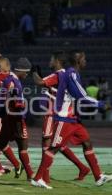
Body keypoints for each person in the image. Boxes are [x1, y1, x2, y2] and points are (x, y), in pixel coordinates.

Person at [31, 50, 112, 189]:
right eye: (84, 59)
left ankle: (98, 176)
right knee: (54, 147)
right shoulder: (70, 74)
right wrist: (100, 104)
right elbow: (81, 96)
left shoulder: (70, 73)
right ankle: (38, 178)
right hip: (64, 118)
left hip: (73, 119)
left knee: (87, 142)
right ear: (77, 60)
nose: (85, 61)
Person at [32, 50, 90, 184]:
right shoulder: (64, 75)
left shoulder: (58, 74)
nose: (50, 61)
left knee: (47, 145)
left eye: (52, 59)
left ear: (57, 61)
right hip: (60, 112)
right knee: (59, 145)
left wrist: (33, 72)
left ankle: (43, 178)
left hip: (52, 113)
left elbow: (39, 82)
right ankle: (82, 168)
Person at [0, 58, 35, 180]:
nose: (26, 75)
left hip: (6, 118)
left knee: (0, 144)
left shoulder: (8, 79)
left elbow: (3, 98)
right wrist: (21, 105)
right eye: (26, 72)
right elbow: (12, 99)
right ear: (22, 71)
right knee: (23, 145)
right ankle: (31, 175)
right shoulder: (13, 81)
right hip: (15, 118)